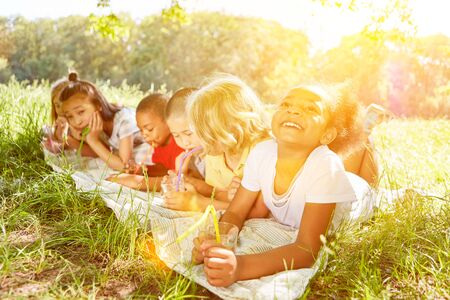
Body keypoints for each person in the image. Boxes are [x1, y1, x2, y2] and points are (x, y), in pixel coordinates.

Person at [191, 84, 370, 287]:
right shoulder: (261, 153)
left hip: (358, 197)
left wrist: (240, 267)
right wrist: (215, 242)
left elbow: (307, 250)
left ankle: (369, 135)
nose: (293, 110)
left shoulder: (326, 165)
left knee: (373, 184)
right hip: (332, 182)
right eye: (286, 104)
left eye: (311, 109)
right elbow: (236, 212)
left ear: (327, 135)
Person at [59, 72, 145, 170]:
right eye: (70, 116)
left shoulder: (124, 121)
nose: (77, 121)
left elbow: (124, 167)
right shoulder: (95, 126)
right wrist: (86, 139)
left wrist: (93, 141)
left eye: (81, 112)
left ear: (98, 105)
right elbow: (97, 153)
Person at [108, 93, 184, 190]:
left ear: (168, 120)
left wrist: (129, 180)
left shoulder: (181, 143)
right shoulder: (158, 146)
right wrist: (142, 170)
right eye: (141, 130)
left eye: (149, 129)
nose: (144, 135)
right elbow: (164, 170)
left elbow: (176, 180)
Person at [42, 77, 97, 156]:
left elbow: (95, 152)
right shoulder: (61, 123)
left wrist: (67, 141)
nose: (61, 110)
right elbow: (60, 140)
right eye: (57, 105)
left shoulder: (83, 123)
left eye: (65, 105)